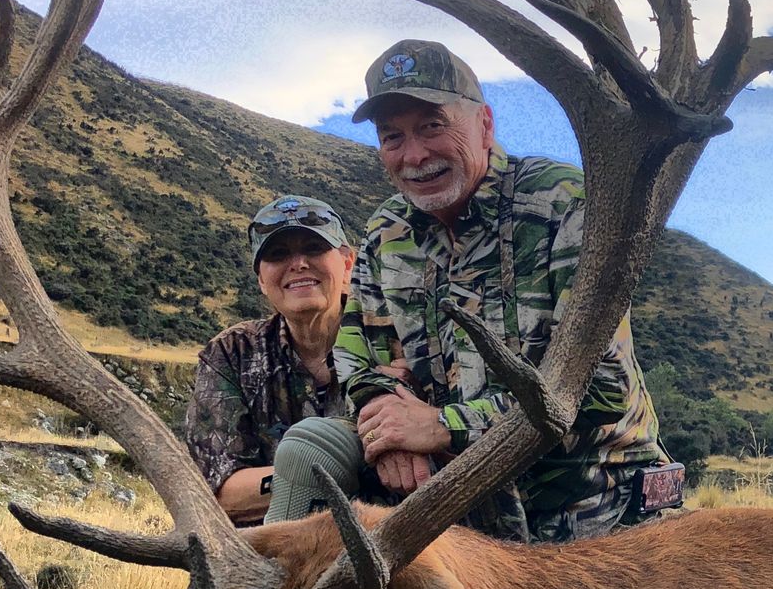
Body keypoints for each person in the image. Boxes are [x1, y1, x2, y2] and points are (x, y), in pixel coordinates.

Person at [262, 39, 673, 543]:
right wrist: (391, 431)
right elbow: (355, 362)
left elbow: (599, 388)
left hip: (583, 497)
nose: (414, 155)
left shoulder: (568, 205)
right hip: (448, 492)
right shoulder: (385, 232)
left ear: (485, 124)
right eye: (392, 137)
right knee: (310, 447)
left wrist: (442, 426)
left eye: (433, 126)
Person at [182, 194, 356, 589]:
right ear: (262, 278)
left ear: (348, 261)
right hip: (280, 539)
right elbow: (221, 492)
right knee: (219, 564)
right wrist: (307, 478)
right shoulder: (231, 354)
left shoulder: (393, 337)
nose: (297, 265)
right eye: (278, 255)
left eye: (313, 248)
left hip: (375, 532)